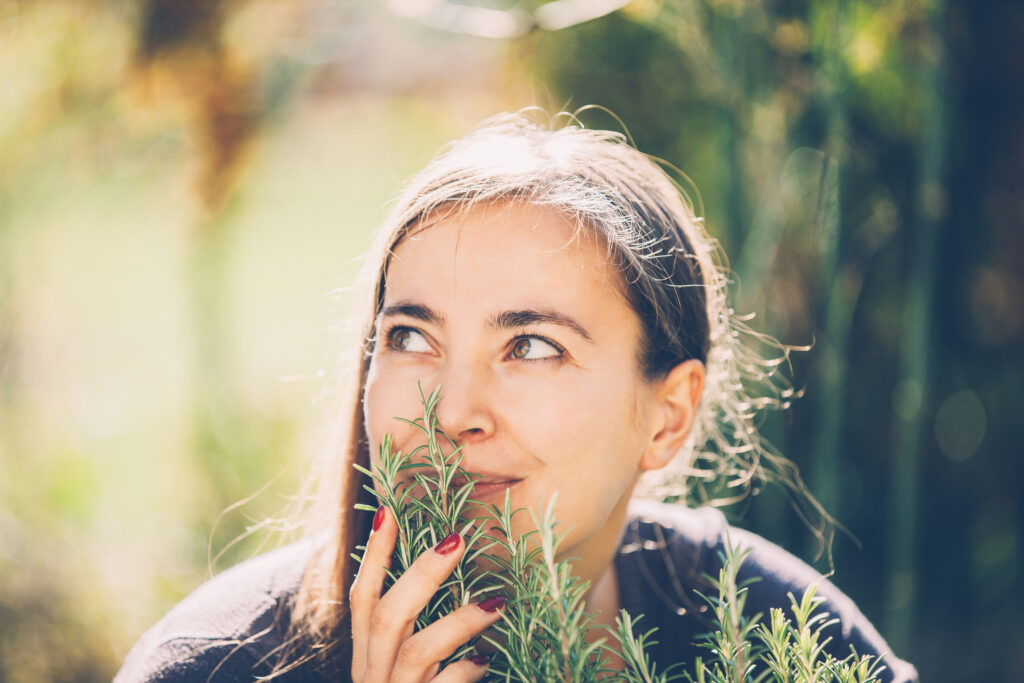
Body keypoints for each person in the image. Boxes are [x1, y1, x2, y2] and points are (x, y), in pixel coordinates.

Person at [116, 111, 918, 682]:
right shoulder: (213, 665)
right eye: (411, 337)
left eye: (532, 346)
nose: (457, 408)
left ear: (667, 416)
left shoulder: (777, 639)